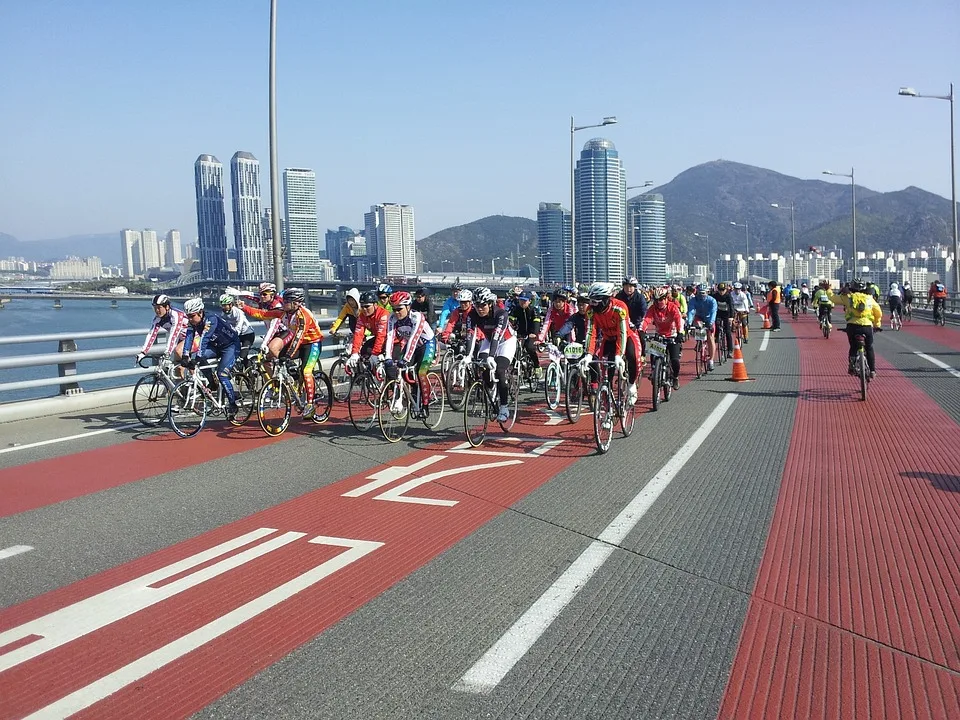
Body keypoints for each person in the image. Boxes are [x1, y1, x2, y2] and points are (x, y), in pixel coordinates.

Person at [247, 288, 325, 417]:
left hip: (312, 343)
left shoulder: (303, 316)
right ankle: (289, 382)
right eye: (284, 300)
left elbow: (298, 338)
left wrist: (288, 356)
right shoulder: (284, 312)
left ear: (296, 303)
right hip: (299, 343)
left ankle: (310, 404)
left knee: (306, 371)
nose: (283, 303)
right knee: (269, 358)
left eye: (287, 301)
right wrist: (243, 307)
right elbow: (262, 314)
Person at [581, 281, 642, 405]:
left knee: (633, 357)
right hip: (608, 339)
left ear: (605, 299)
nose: (592, 305)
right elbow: (590, 332)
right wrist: (588, 354)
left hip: (627, 336)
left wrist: (619, 355)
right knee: (605, 371)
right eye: (590, 301)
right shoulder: (590, 310)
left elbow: (622, 333)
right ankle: (607, 401)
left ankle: (631, 385)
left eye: (595, 301)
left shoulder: (620, 308)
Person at [180, 297, 241, 418]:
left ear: (200, 312)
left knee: (222, 374)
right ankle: (212, 383)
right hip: (216, 346)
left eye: (192, 316)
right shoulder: (192, 322)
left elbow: (204, 339)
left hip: (230, 346)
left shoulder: (211, 319)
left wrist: (196, 358)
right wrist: (185, 355)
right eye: (188, 316)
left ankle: (233, 404)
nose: (190, 319)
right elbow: (189, 337)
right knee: (201, 359)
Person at [462, 288, 516, 422]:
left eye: (483, 305)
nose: (480, 309)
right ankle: (490, 388)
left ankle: (504, 407)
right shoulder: (472, 315)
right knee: (482, 364)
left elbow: (498, 335)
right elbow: (470, 335)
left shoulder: (501, 313)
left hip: (506, 342)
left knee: (499, 370)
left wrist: (492, 356)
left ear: (490, 303)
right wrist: (468, 355)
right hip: (489, 340)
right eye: (477, 305)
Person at [383, 291, 437, 413]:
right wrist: (387, 357)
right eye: (394, 309)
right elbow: (390, 337)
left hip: (427, 344)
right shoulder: (392, 318)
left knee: (421, 372)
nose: (396, 312)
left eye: (399, 309)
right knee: (402, 372)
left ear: (408, 307)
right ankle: (416, 391)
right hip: (412, 346)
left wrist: (406, 360)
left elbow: (413, 338)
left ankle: (425, 404)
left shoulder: (416, 317)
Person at [836, 277, 882, 377]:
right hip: (867, 327)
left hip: (852, 326)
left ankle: (852, 366)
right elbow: (878, 312)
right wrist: (877, 324)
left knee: (853, 347)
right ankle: (873, 370)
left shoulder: (848, 297)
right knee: (869, 347)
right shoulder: (869, 298)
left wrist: (827, 290)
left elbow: (833, 299)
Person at [640, 287, 684, 389]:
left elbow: (679, 320)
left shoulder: (672, 307)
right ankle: (654, 370)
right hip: (659, 335)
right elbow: (646, 319)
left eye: (661, 299)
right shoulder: (652, 309)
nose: (659, 302)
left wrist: (680, 333)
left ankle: (675, 377)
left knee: (675, 361)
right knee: (653, 350)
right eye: (656, 300)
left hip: (672, 335)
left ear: (666, 298)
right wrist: (642, 331)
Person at [137, 294, 188, 365]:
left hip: (194, 335)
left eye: (159, 307)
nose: (157, 310)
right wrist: (143, 352)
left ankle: (194, 375)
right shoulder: (158, 319)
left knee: (178, 351)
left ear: (167, 307)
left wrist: (168, 352)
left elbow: (173, 334)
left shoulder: (176, 315)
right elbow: (151, 335)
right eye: (154, 308)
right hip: (182, 338)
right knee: (178, 368)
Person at [349, 290, 390, 372]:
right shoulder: (362, 316)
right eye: (362, 306)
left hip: (391, 340)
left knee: (390, 368)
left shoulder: (383, 314)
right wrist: (354, 353)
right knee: (364, 349)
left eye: (367, 306)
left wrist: (375, 353)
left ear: (375, 305)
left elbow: (381, 336)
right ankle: (369, 377)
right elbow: (358, 334)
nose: (364, 309)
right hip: (378, 338)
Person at [508, 290, 542, 377]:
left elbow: (536, 322)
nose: (522, 302)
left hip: (531, 334)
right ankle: (515, 366)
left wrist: (534, 333)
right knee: (513, 348)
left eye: (524, 300)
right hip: (519, 333)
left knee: (530, 348)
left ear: (529, 301)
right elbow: (510, 321)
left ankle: (537, 366)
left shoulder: (534, 310)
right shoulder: (516, 309)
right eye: (520, 300)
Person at [686, 283, 719, 371]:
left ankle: (711, 360)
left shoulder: (712, 301)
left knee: (710, 337)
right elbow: (691, 311)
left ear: (707, 292)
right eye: (700, 293)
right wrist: (688, 322)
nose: (701, 295)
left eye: (703, 293)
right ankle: (699, 341)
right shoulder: (693, 300)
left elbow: (713, 312)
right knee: (697, 325)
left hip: (709, 319)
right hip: (699, 317)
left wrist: (711, 323)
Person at [711, 282, 734, 359]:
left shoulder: (728, 297)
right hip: (718, 313)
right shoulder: (715, 296)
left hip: (726, 314)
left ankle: (730, 350)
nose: (721, 292)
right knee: (716, 325)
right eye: (720, 290)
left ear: (726, 290)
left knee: (727, 332)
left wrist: (731, 317)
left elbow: (731, 307)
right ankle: (717, 337)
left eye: (723, 290)